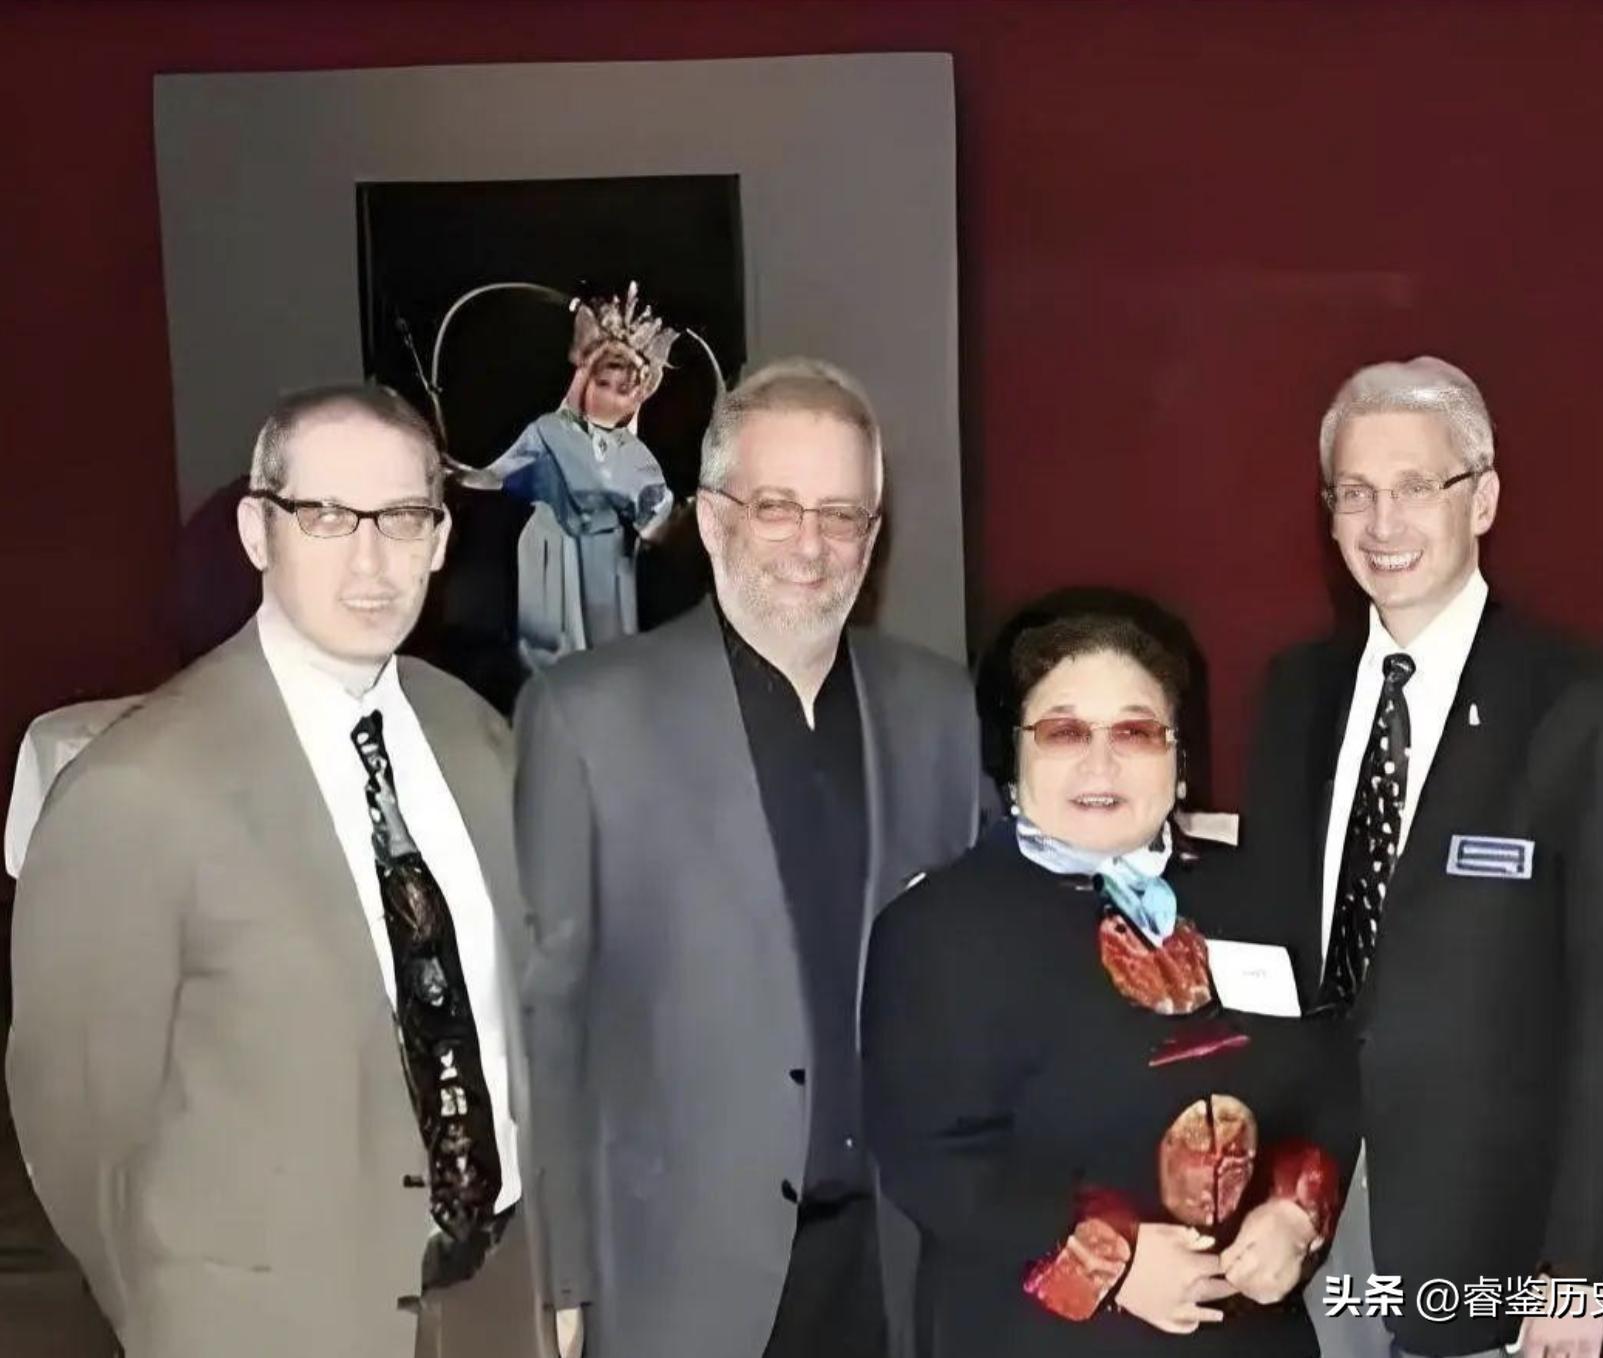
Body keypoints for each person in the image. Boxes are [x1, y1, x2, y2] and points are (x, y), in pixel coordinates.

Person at [6, 384, 566, 1358]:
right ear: (257, 532)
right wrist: (181, 1315)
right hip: (272, 1323)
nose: (370, 559)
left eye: (403, 517)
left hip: (498, 1298)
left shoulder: (479, 737)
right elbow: (78, 1126)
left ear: (440, 540)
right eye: (327, 516)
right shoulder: (136, 787)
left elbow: (528, 1025)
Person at [515, 357, 984, 1358]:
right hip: (679, 1277)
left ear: (873, 535)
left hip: (892, 1265)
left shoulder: (940, 709)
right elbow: (547, 1016)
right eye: (776, 507)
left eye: (841, 514)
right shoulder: (588, 715)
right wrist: (561, 1273)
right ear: (713, 517)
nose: (810, 546)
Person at [1237, 357, 1603, 1358]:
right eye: (1354, 492)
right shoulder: (1294, 693)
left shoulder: (1591, 711)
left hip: (1501, 1237)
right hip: (1308, 1216)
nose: (1381, 521)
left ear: (1481, 500)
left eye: (1414, 487)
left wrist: (1581, 1263)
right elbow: (1276, 948)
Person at [863, 609, 1353, 1357]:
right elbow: (929, 1157)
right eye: (1064, 733)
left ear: (1180, 758)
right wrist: (1112, 1258)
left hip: (1250, 1337)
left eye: (1135, 732)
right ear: (1012, 759)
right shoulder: (937, 927)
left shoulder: (1259, 898)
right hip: (1037, 1336)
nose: (1101, 765)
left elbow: (1332, 1081)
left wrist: (1296, 1213)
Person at [457, 283, 679, 665]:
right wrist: (461, 475)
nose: (608, 396)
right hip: (549, 549)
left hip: (605, 557)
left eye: (622, 389)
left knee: (609, 652)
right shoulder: (548, 431)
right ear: (584, 379)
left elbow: (658, 519)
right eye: (602, 383)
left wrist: (680, 524)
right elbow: (500, 474)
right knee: (548, 650)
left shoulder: (635, 455)